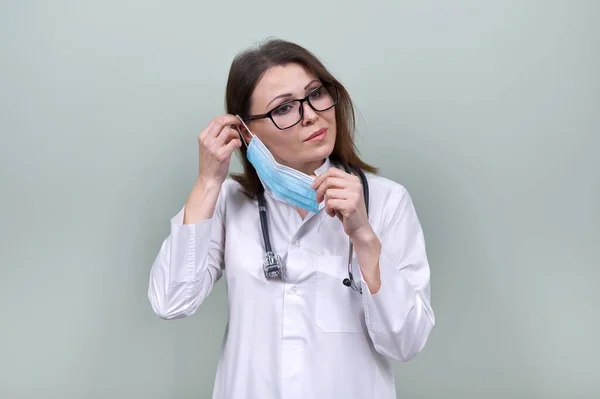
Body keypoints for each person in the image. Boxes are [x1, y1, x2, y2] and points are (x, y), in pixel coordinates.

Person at [148, 38, 435, 399]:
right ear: (245, 132)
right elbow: (170, 301)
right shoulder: (227, 203)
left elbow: (406, 342)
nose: (311, 114)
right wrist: (207, 182)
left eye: (316, 93)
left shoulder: (387, 200)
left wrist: (363, 236)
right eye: (284, 109)